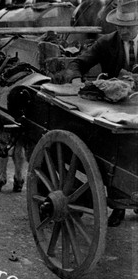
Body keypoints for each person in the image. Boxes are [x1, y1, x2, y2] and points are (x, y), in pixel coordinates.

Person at [55, 0, 138, 227]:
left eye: (128, 27)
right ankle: (118, 204)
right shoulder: (106, 43)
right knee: (117, 151)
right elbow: (78, 63)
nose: (123, 30)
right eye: (120, 26)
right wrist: (75, 79)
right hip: (115, 109)